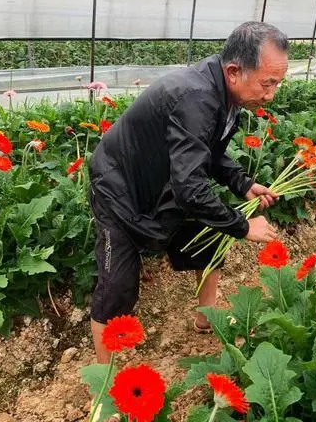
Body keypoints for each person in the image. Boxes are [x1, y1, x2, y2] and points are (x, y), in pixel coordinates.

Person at [88, 21, 288, 364]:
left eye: (277, 84)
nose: (270, 94)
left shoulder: (224, 93)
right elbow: (189, 187)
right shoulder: (197, 98)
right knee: (116, 288)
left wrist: (241, 183)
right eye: (267, 83)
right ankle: (103, 388)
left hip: (161, 182)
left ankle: (205, 317)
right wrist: (241, 225)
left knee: (209, 239)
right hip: (119, 188)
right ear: (234, 71)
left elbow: (204, 151)